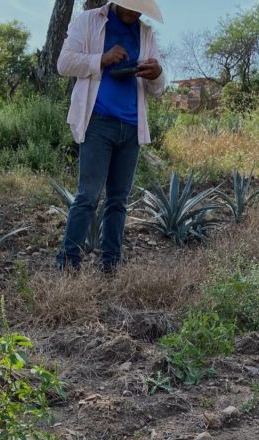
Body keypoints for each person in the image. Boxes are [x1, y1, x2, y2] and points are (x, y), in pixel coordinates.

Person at [54, 1, 166, 274]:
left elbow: (157, 89)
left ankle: (111, 266)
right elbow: (63, 63)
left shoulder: (146, 33)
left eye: (140, 9)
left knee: (118, 200)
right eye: (130, 7)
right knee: (88, 196)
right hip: (98, 122)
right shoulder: (89, 20)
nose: (134, 13)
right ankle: (68, 265)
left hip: (132, 126)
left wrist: (158, 75)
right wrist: (101, 59)